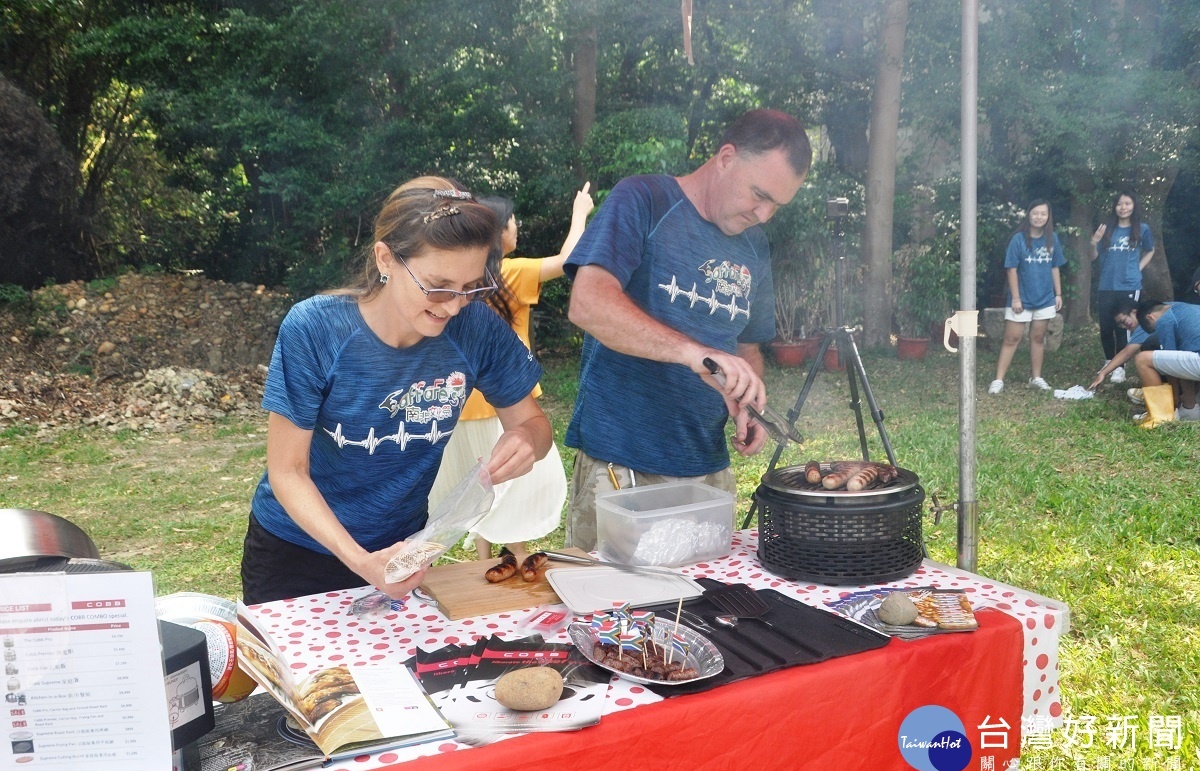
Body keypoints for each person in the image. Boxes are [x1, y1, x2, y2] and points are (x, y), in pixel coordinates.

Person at [241, 176, 553, 605]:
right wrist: (361, 561)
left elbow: (535, 424)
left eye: (470, 287)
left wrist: (525, 440)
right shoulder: (316, 329)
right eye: (437, 285)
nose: (453, 305)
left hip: (404, 550)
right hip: (296, 551)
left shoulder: (475, 329)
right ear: (386, 258)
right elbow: (287, 471)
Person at [562, 109, 812, 551]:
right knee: (612, 611)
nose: (764, 213)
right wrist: (692, 353)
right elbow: (588, 303)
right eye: (759, 194)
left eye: (777, 204)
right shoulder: (644, 200)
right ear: (726, 157)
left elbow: (746, 343)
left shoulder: (755, 245)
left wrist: (746, 401)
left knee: (704, 612)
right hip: (623, 467)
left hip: (709, 472)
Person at [428, 184, 595, 562]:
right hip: (506, 406)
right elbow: (571, 257)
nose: (516, 226)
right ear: (498, 231)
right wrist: (579, 212)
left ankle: (487, 561)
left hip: (460, 405)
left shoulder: (470, 282)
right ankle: (517, 558)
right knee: (513, 484)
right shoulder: (513, 272)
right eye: (512, 221)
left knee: (478, 484)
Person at [988, 199, 1065, 394]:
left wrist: (1058, 294)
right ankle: (998, 380)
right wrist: (1016, 298)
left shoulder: (1052, 239)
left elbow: (1055, 266)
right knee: (1011, 338)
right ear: (1029, 215)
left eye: (1043, 214)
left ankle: (1036, 377)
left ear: (1048, 217)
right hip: (1021, 299)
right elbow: (1011, 270)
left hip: (1045, 298)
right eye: (1035, 213)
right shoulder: (1018, 240)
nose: (1039, 217)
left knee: (1038, 338)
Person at [1089, 191, 1155, 384]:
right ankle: (1109, 360)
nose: (1123, 207)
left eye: (1127, 203)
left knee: (1123, 326)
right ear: (1114, 207)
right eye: (1119, 204)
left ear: (1134, 206)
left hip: (1129, 284)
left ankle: (1120, 367)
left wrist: (1138, 268)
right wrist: (1093, 242)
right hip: (1106, 284)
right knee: (1106, 326)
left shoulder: (1142, 229)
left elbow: (1150, 250)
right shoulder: (1106, 229)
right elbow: (1092, 256)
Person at [1130, 298, 1200, 422]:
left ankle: (1161, 415)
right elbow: (1181, 363)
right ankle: (1190, 410)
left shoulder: (1164, 320)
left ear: (1150, 317)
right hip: (1195, 358)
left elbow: (1171, 368)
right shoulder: (1188, 309)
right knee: (1183, 360)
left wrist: (1174, 398)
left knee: (1142, 359)